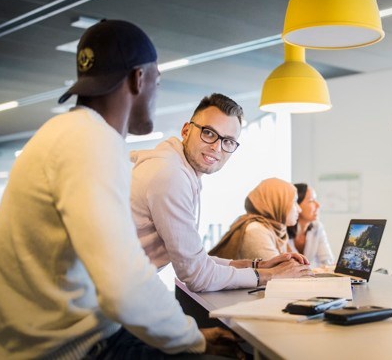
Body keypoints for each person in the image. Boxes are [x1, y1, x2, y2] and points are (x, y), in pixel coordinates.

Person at [0, 20, 240, 359]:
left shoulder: (66, 132)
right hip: (75, 349)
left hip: (46, 338)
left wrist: (191, 335)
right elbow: (125, 286)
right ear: (139, 79)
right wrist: (195, 339)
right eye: (158, 81)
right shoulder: (91, 143)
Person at [130, 94, 311, 292]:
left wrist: (257, 266)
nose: (216, 147)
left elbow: (196, 260)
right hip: (104, 298)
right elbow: (197, 276)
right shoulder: (170, 175)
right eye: (208, 133)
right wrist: (271, 276)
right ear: (186, 130)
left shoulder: (178, 169)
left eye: (228, 141)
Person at [209, 178, 305, 261]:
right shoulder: (256, 230)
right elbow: (280, 272)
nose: (299, 209)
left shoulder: (277, 230)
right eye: (294, 202)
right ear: (276, 202)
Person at [287, 183, 334, 267]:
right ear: (296, 204)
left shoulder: (317, 227)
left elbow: (327, 261)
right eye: (311, 200)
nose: (318, 205)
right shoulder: (282, 231)